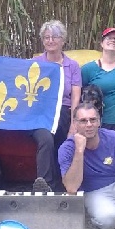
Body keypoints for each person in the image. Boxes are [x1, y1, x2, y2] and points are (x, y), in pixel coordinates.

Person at [29, 20, 81, 192]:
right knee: (45, 139)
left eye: (55, 37)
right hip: (39, 114)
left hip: (64, 114)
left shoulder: (72, 66)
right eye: (47, 37)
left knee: (65, 143)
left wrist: (74, 124)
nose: (50, 41)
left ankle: (64, 187)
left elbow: (75, 97)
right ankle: (45, 186)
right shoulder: (34, 63)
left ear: (63, 40)